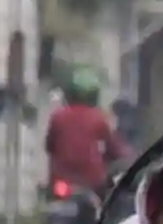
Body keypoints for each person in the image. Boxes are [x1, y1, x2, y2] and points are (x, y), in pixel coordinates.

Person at [45, 67, 131, 195]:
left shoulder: (58, 117)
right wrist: (127, 157)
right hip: (92, 182)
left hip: (62, 179)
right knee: (106, 207)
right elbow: (113, 148)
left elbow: (49, 146)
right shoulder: (98, 119)